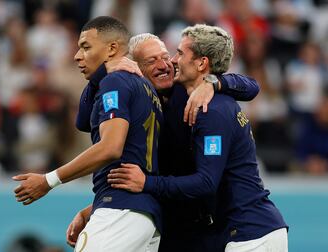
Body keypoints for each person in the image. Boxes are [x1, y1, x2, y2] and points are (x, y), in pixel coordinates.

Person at [67, 32, 260, 252]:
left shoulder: (188, 91)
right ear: (134, 68)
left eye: (165, 57)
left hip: (205, 219)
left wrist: (216, 83)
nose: (164, 65)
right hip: (169, 219)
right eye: (151, 61)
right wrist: (102, 75)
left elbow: (252, 86)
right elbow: (83, 121)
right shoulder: (136, 106)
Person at [107, 25, 288, 251]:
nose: (171, 61)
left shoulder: (210, 109)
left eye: (178, 53)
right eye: (152, 61)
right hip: (225, 231)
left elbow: (206, 182)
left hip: (249, 232)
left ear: (202, 63)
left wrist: (214, 82)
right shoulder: (171, 103)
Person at [13, 16, 163, 252]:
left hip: (119, 212)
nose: (76, 55)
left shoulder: (116, 81)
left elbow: (111, 147)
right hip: (144, 215)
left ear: (112, 48)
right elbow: (82, 122)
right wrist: (99, 77)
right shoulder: (143, 86)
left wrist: (48, 180)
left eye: (86, 47)